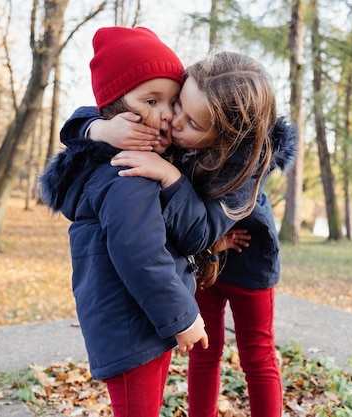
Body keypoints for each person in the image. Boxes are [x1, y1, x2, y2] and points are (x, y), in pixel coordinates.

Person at [60, 51, 298, 417]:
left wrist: (169, 176)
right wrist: (100, 129)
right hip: (201, 266)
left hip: (248, 264)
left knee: (257, 351)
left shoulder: (246, 166)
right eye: (177, 105)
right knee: (204, 349)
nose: (174, 122)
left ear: (229, 136)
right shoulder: (180, 124)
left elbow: (201, 229)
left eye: (193, 123)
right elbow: (91, 113)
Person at [38, 26, 218, 417]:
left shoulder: (134, 159)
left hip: (138, 322)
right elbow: (139, 252)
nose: (166, 115)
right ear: (116, 109)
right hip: (133, 326)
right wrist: (183, 318)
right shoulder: (128, 172)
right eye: (150, 101)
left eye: (171, 101)